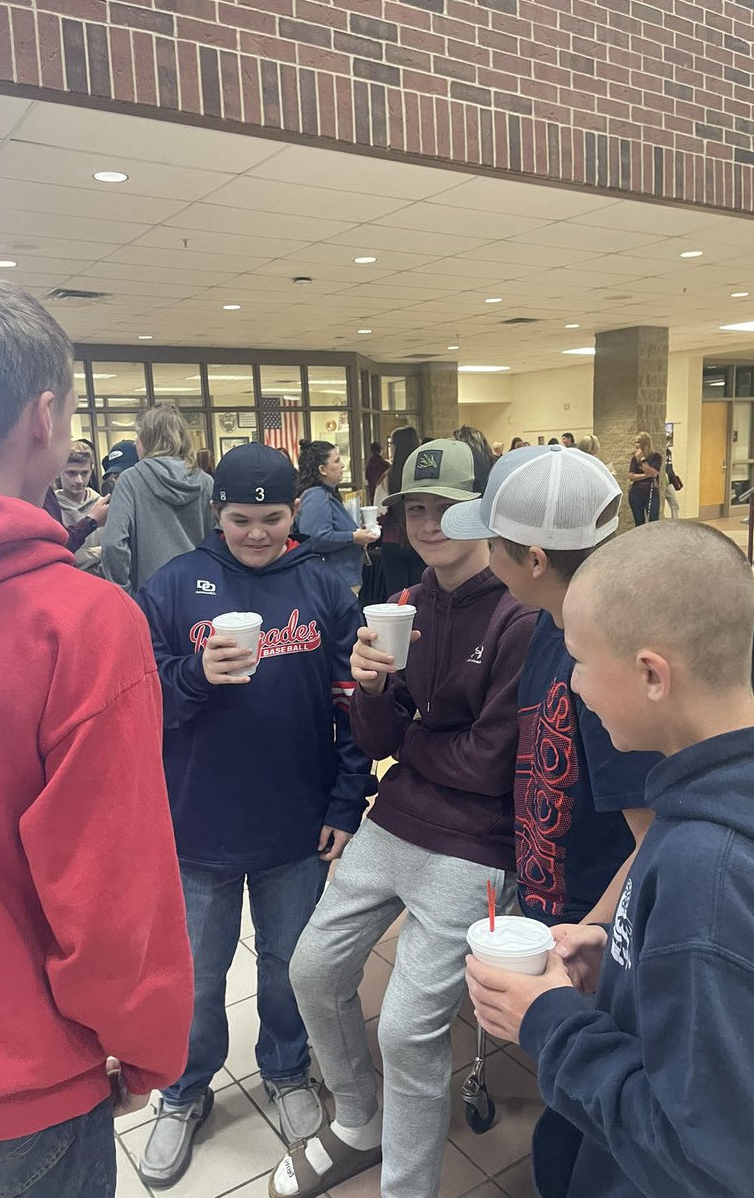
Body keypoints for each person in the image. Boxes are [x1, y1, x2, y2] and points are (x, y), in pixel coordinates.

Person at [0, 275, 194, 1197]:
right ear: (45, 418)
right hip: (16, 1085)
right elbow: (113, 899)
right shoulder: (78, 623)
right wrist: (148, 1049)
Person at [466, 520, 754, 1198]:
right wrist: (617, 956)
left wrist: (550, 1023)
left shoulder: (707, 875)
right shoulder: (751, 794)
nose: (572, 685)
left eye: (581, 660)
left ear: (653, 675)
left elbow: (720, 1172)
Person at [270, 438, 538, 1198]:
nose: (430, 522)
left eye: (450, 506)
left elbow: (489, 764)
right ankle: (359, 1121)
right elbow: (380, 743)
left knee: (406, 1030)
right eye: (416, 508)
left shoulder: (520, 616)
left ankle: (408, 1187)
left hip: (477, 843)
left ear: (485, 510)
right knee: (313, 971)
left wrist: (411, 742)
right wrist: (373, 692)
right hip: (398, 820)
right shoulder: (408, 607)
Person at [135, 443, 375, 1189]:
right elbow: (139, 701)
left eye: (273, 519)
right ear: (218, 513)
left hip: (296, 820)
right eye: (242, 519)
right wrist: (193, 675)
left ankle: (286, 1068)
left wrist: (346, 799)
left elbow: (353, 703)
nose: (259, 534)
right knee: (199, 977)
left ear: (293, 513)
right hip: (198, 824)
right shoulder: (172, 587)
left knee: (287, 966)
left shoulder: (326, 584)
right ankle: (182, 1090)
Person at [442, 445, 660, 925]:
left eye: (492, 544)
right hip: (545, 895)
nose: (486, 555)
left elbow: (652, 837)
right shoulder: (548, 621)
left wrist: (585, 938)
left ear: (535, 562)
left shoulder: (606, 666)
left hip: (590, 920)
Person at [101, 405, 213, 595]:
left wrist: (123, 593)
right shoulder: (206, 482)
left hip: (150, 596)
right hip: (199, 591)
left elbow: (113, 544)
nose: (135, 443)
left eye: (138, 435)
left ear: (148, 439)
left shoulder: (130, 480)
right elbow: (217, 540)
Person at [296, 439, 376, 593]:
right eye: (337, 461)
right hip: (334, 581)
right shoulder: (316, 496)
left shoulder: (326, 494)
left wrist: (360, 533)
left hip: (340, 579)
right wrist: (353, 537)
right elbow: (316, 538)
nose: (342, 465)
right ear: (322, 469)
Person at [374, 426, 424, 597]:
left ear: (395, 446)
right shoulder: (423, 477)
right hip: (421, 541)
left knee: (397, 601)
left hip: (393, 544)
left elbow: (379, 515)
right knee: (422, 596)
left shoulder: (388, 477)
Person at [55, 441, 107, 573]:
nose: (79, 480)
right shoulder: (50, 508)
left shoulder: (103, 505)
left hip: (101, 584)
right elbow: (56, 557)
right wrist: (99, 553)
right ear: (59, 472)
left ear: (91, 471)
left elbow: (113, 553)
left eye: (84, 473)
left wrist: (80, 557)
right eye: (71, 473)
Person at [627, 431, 662, 526]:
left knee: (653, 523)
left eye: (638, 442)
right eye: (636, 442)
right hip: (636, 494)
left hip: (651, 493)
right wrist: (647, 475)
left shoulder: (656, 457)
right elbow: (631, 476)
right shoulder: (634, 459)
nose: (636, 445)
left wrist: (643, 459)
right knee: (639, 524)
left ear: (646, 444)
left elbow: (653, 473)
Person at [663, 444, 682, 518]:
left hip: (669, 482)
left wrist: (674, 479)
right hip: (662, 482)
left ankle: (676, 522)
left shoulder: (669, 452)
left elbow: (670, 467)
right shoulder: (659, 452)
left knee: (674, 504)